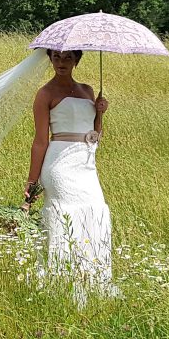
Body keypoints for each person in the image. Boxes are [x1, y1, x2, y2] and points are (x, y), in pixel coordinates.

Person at [25, 49, 115, 293]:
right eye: (56, 57)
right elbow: (40, 141)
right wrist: (31, 187)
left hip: (85, 163)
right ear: (50, 59)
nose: (61, 63)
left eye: (67, 58)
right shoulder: (45, 94)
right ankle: (59, 281)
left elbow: (95, 136)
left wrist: (100, 114)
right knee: (65, 216)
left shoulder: (87, 90)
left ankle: (92, 278)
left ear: (76, 60)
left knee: (94, 211)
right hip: (59, 165)